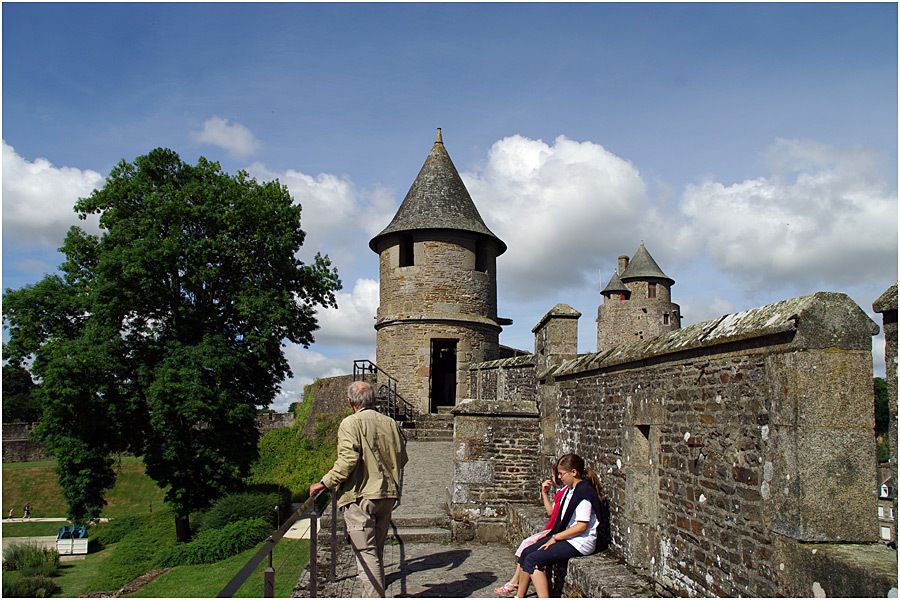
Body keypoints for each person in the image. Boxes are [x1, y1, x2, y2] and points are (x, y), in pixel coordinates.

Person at [309, 381, 408, 598]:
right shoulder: (390, 423)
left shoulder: (350, 423)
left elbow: (347, 461)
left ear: (350, 402)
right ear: (373, 400)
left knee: (366, 554)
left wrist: (324, 482)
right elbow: (402, 458)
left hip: (361, 497)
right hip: (387, 495)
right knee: (375, 552)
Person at [515, 453, 609, 598]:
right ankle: (519, 596)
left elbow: (581, 527)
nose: (559, 477)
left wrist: (555, 538)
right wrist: (550, 535)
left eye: (561, 474)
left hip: (581, 542)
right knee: (526, 552)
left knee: (534, 560)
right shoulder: (572, 489)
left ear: (574, 472)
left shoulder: (584, 492)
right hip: (570, 537)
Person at [495, 460, 567, 597]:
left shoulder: (566, 493)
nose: (552, 478)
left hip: (553, 530)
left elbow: (554, 515)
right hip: (551, 529)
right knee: (526, 546)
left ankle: (515, 584)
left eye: (555, 475)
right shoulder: (561, 492)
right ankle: (515, 583)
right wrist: (544, 493)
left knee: (528, 546)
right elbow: (551, 512)